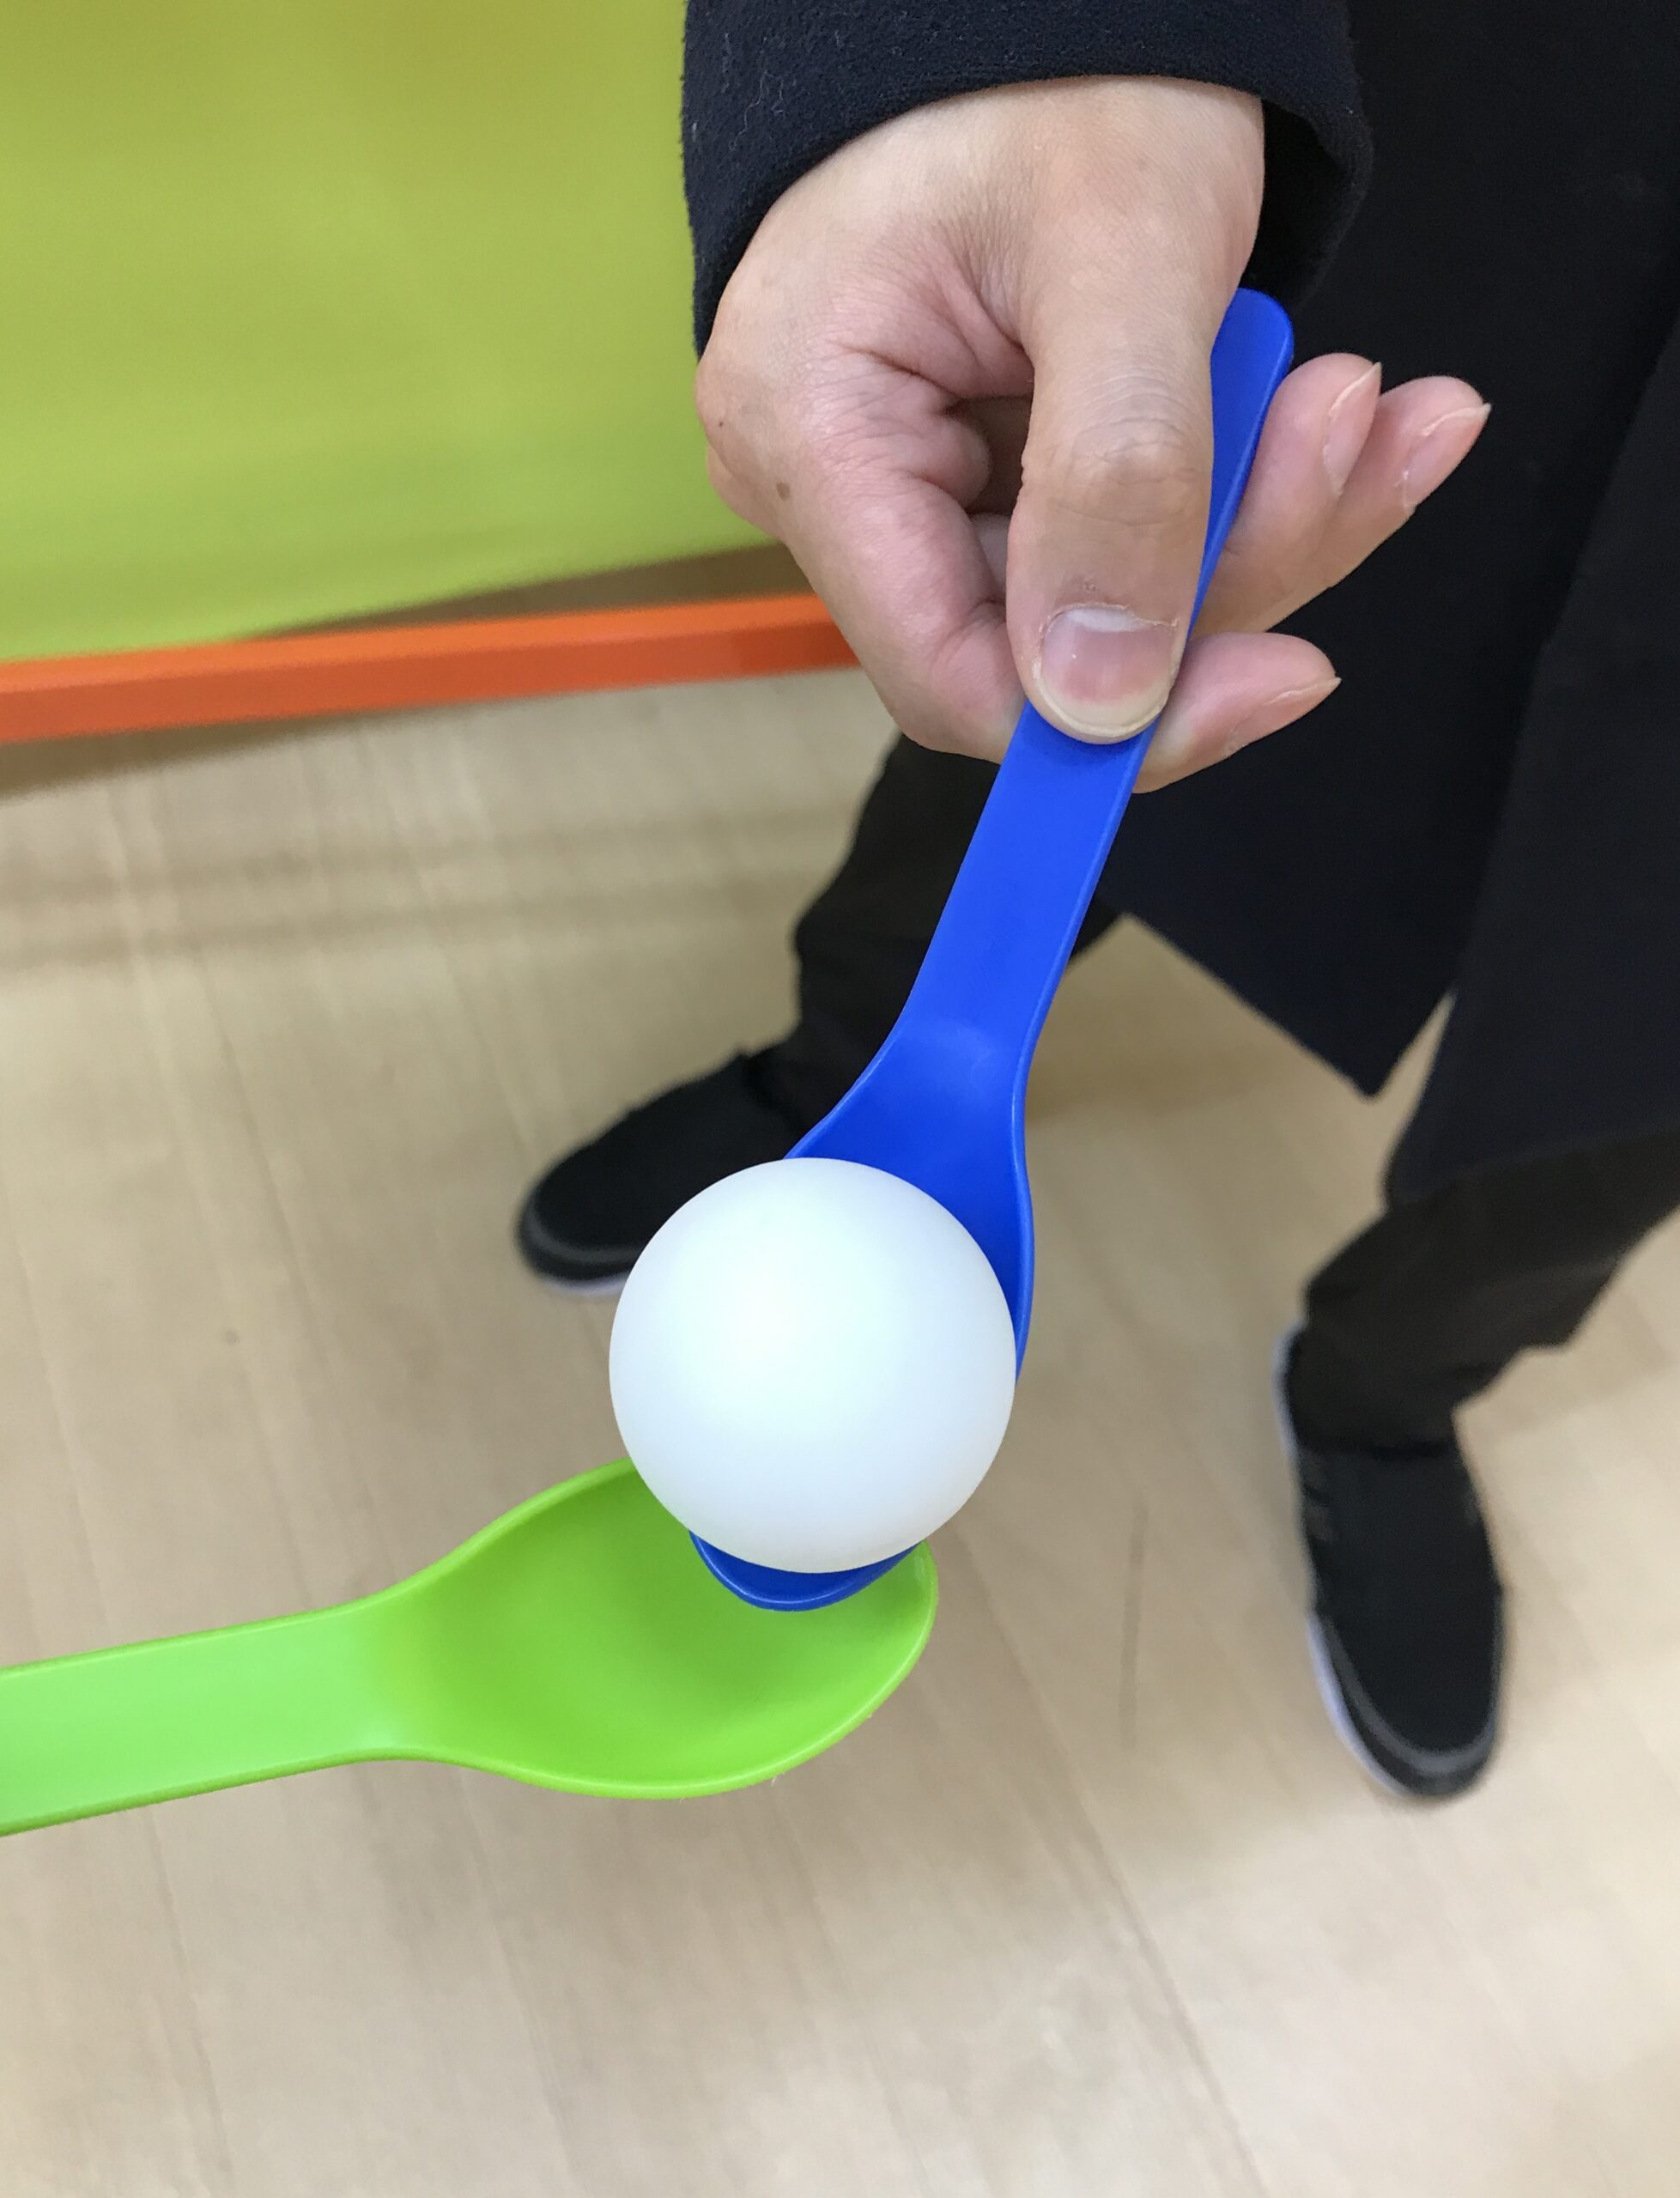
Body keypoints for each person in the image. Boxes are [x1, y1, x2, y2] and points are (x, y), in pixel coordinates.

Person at [520, 0, 1680, 1798]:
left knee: (1623, 1058)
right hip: (1487, 128)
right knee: (1071, 685)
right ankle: (837, 1085)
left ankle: (1385, 1400)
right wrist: (999, 33)